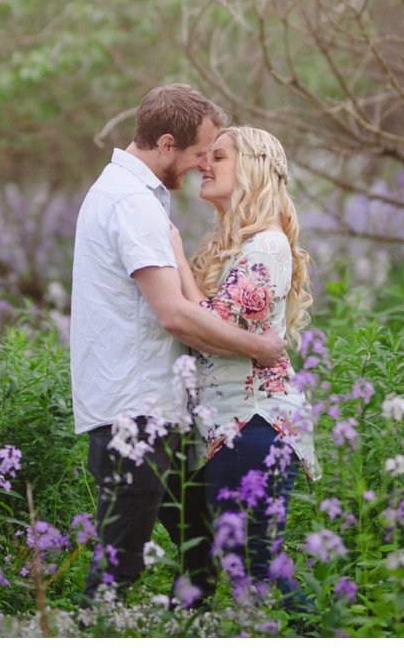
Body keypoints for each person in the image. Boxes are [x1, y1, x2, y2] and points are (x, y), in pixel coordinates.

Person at [70, 83, 287, 604]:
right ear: (167, 144)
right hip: (134, 414)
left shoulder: (136, 198)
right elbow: (174, 315)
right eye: (196, 154)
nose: (199, 166)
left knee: (205, 553)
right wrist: (261, 349)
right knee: (118, 567)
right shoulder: (129, 202)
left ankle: (185, 626)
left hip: (161, 414)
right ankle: (85, 631)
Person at [169, 124, 319, 611]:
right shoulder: (239, 247)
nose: (203, 165)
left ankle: (325, 632)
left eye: (219, 157)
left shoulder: (268, 246)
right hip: (226, 428)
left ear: (252, 168)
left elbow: (211, 324)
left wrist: (171, 252)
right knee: (229, 561)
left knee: (256, 561)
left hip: (254, 424)